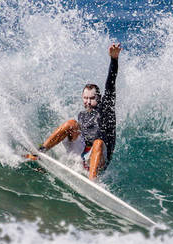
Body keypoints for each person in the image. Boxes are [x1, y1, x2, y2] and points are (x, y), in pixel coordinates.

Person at [37, 43, 121, 179]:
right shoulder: (82, 115)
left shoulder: (106, 108)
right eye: (85, 98)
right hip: (80, 153)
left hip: (98, 158)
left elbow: (110, 83)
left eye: (92, 98)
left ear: (99, 98)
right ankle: (41, 151)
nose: (88, 101)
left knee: (98, 142)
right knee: (71, 123)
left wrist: (114, 59)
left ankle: (92, 181)